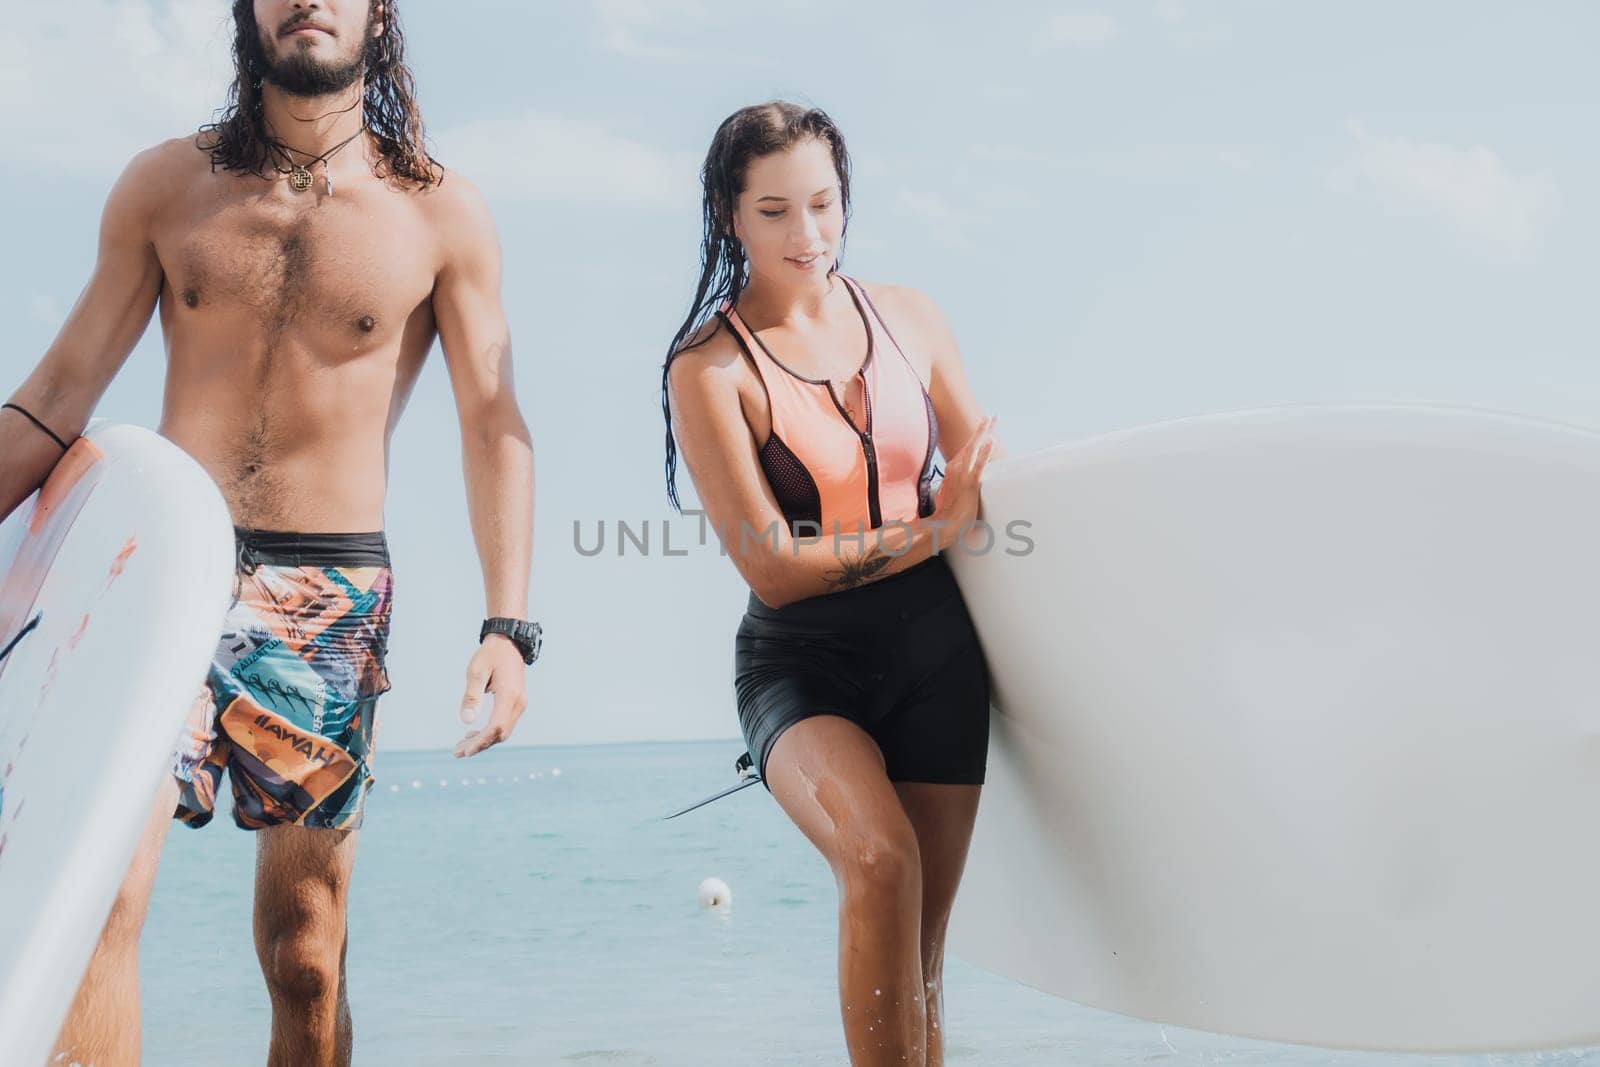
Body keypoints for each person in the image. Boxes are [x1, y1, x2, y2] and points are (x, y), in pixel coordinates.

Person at [0, 2, 541, 1064]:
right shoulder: (167, 186)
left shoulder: (439, 214)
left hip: (329, 596)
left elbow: (493, 420)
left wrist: (508, 623)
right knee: (102, 895)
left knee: (305, 954)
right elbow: (58, 390)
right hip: (159, 578)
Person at [661, 101, 1001, 1067]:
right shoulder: (711, 369)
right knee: (879, 860)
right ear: (729, 214)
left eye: (822, 204)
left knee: (926, 951)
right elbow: (770, 561)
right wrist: (932, 529)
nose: (805, 235)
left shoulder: (911, 318)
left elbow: (986, 465)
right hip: (801, 664)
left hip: (940, 655)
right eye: (774, 211)